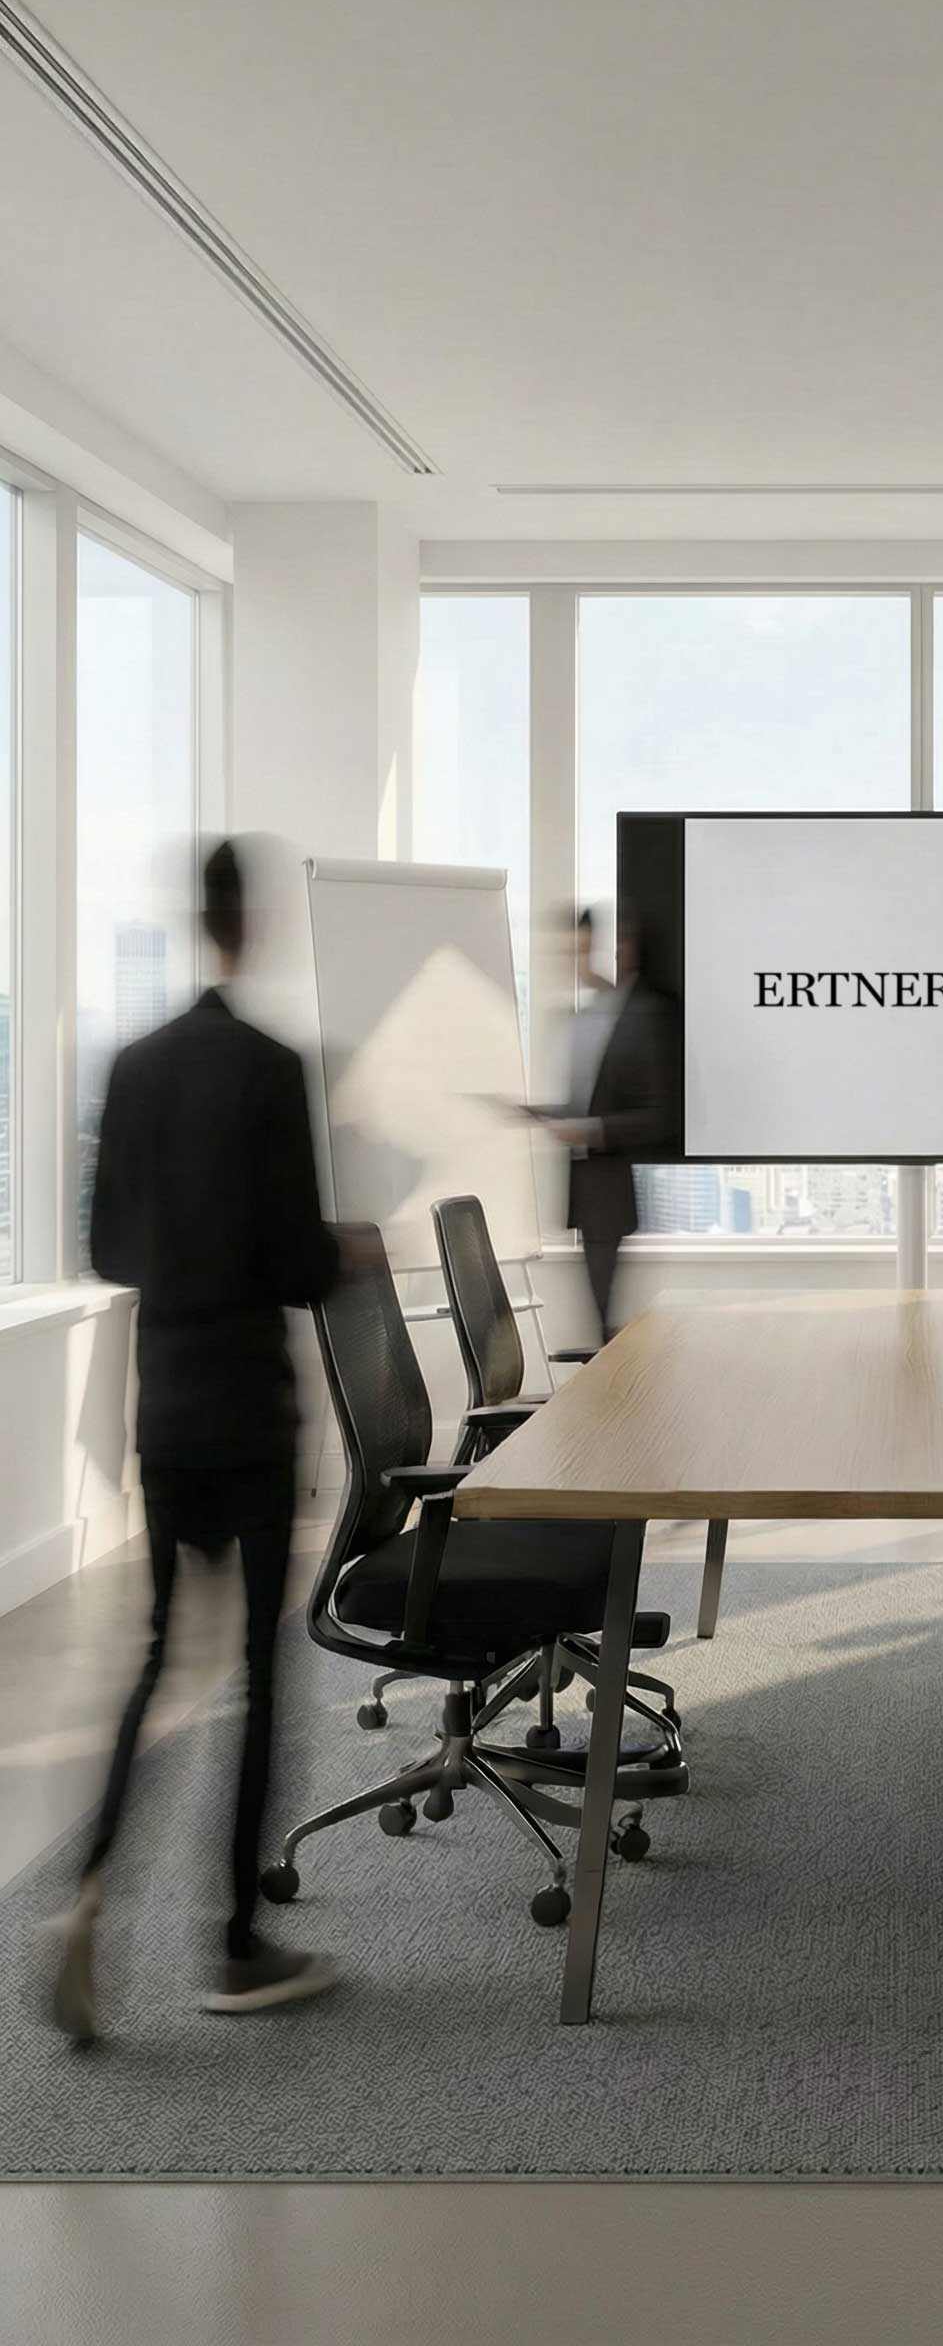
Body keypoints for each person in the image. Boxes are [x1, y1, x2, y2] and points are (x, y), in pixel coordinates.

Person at [49, 839, 346, 2042]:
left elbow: (107, 1252)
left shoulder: (132, 1066)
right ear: (251, 923)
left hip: (165, 1404)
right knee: (264, 1680)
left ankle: (86, 1890)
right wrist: (338, 1247)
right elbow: (299, 1263)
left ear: (192, 920)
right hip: (250, 1410)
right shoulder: (271, 1069)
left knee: (163, 1656)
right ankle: (234, 1946)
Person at [546, 903, 678, 1341]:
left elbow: (662, 1116)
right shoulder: (590, 1017)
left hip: (613, 1189)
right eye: (570, 952)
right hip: (586, 1191)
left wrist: (591, 1131)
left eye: (583, 951)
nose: (575, 964)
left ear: (618, 950)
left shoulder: (645, 1015)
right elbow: (588, 1100)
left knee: (609, 1333)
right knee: (601, 1327)